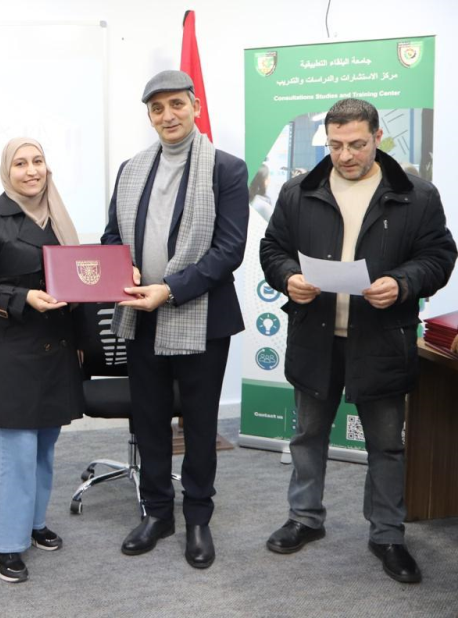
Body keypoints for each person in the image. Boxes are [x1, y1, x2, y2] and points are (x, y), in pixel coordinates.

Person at [260, 98, 456, 584]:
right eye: (335, 145)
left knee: (386, 445)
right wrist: (288, 277)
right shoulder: (298, 191)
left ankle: (387, 534)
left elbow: (439, 256)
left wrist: (403, 283)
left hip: (382, 338)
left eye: (356, 144)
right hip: (316, 335)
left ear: (377, 138)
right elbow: (273, 249)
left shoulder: (416, 194)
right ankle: (305, 517)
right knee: (307, 435)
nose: (345, 155)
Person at [102, 70, 248, 569]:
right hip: (140, 316)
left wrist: (170, 290)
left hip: (202, 318)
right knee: (149, 420)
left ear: (195, 107)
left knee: (200, 423)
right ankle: (157, 513)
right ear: (149, 116)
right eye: (157, 108)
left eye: (176, 104)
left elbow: (229, 250)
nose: (168, 116)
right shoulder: (131, 169)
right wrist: (125, 268)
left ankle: (198, 518)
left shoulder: (226, 169)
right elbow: (111, 237)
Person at [0, 138, 85, 583]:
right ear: (6, 171)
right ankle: (1, 543)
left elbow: (78, 277)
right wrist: (23, 297)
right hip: (11, 350)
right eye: (20, 163)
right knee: (15, 449)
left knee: (44, 445)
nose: (31, 170)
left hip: (55, 347)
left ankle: (31, 522)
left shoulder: (58, 216)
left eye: (38, 161)